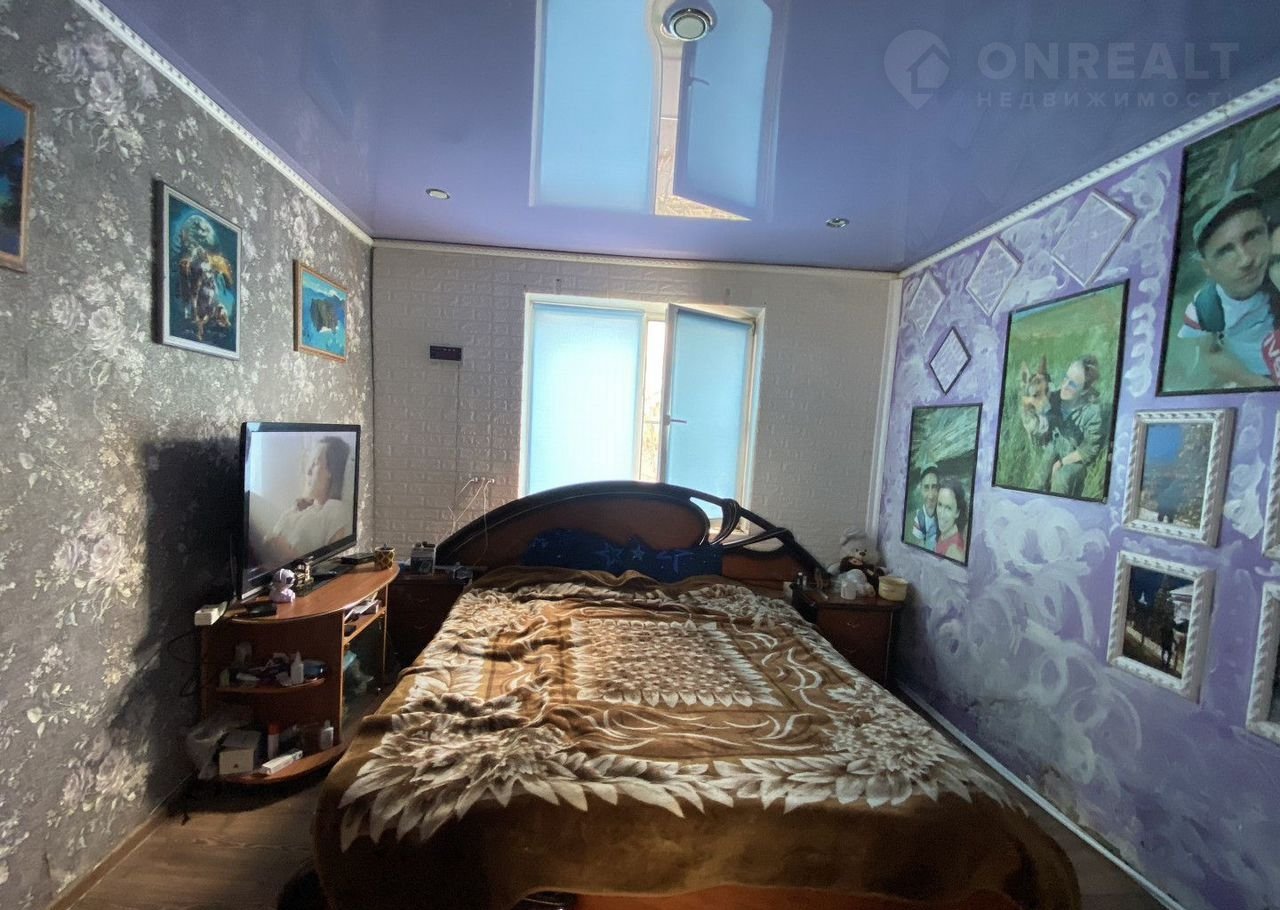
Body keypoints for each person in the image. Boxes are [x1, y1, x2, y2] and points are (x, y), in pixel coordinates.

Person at [1176, 189, 1280, 388]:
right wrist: (1258, 383)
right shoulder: (1206, 308)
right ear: (1207, 268)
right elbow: (1211, 353)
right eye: (1225, 251)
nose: (1246, 259)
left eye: (1252, 236)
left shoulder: (1274, 268)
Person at [260, 436, 351, 565]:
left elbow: (334, 563)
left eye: (315, 463)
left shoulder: (335, 509)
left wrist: (290, 555)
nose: (308, 471)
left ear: (331, 471)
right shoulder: (301, 508)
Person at [1036, 355, 1105, 498]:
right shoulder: (1054, 398)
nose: (1065, 386)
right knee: (1040, 473)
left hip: (1076, 458)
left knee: (1062, 477)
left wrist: (1061, 463)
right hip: (1056, 447)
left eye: (1072, 384)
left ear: (1084, 390)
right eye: (1065, 378)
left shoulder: (1092, 412)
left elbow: (1089, 450)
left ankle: (1056, 507)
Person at [933, 478, 967, 562]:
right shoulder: (945, 534)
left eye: (948, 508)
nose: (942, 514)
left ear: (957, 512)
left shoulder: (954, 552)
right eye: (940, 504)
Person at [909, 463, 940, 550]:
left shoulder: (944, 513)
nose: (930, 496)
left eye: (934, 487)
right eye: (926, 487)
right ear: (921, 489)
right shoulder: (919, 519)